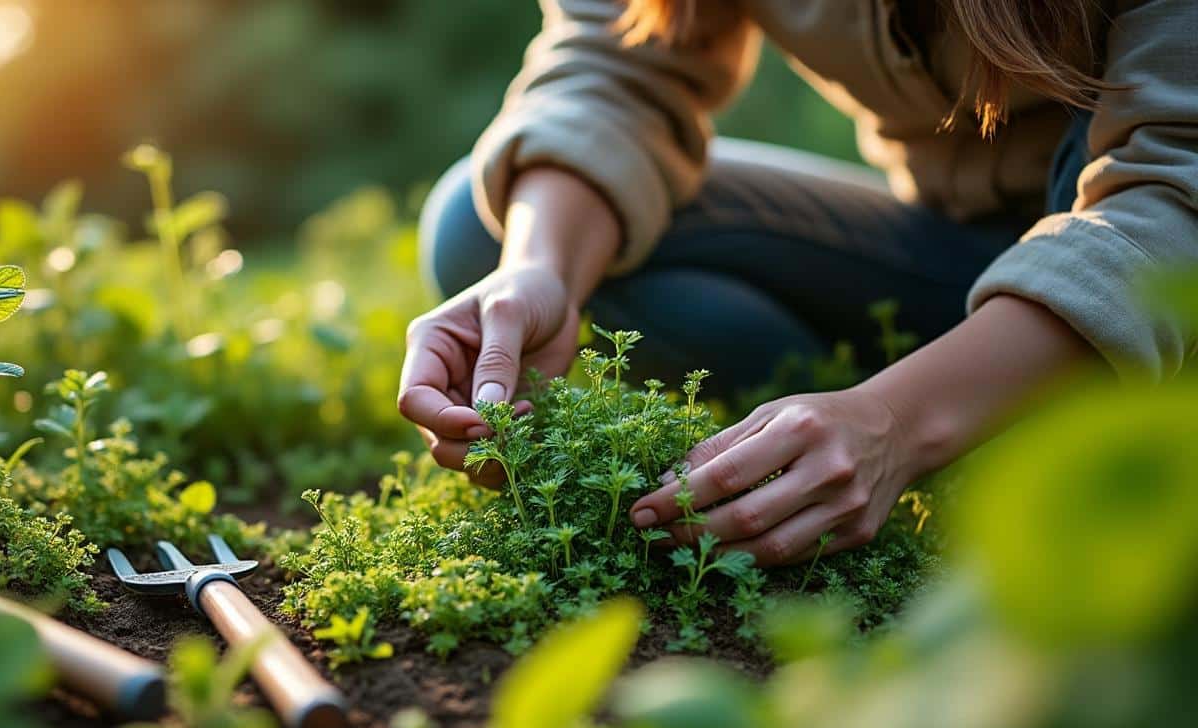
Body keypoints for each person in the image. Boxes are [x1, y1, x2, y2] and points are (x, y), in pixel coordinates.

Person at [398, 0, 1197, 566]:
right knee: (481, 233)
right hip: (953, 251)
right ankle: (884, 427)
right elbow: (611, 69)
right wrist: (541, 271)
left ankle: (935, 422)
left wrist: (896, 419)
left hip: (1146, 272)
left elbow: (1173, 192)